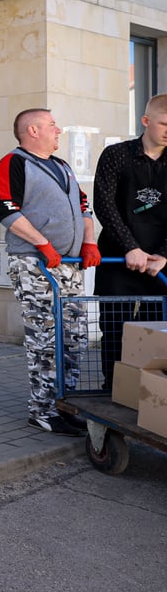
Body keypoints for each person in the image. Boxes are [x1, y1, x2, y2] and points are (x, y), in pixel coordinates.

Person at [0, 108, 100, 436]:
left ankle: (64, 405)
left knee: (74, 337)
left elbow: (83, 206)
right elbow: (5, 208)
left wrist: (89, 242)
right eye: (53, 125)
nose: (59, 130)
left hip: (68, 265)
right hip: (36, 264)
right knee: (45, 339)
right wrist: (42, 244)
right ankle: (42, 410)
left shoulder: (64, 167)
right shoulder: (15, 162)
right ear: (33, 130)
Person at [93, 94, 167, 389]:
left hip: (160, 266)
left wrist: (163, 254)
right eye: (164, 123)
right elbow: (104, 205)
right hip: (117, 259)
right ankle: (114, 389)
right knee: (114, 329)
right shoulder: (116, 155)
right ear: (146, 121)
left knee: (157, 331)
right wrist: (130, 248)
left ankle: (150, 393)